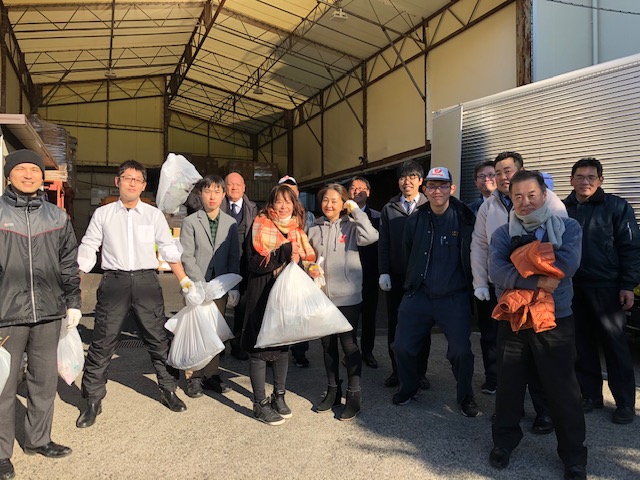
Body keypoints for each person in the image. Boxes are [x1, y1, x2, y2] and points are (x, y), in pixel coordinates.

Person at [76, 160, 193, 429]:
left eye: (137, 180)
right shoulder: (103, 214)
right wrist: (76, 282)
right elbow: (89, 246)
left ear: (143, 186)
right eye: (127, 178)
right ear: (117, 182)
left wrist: (184, 281)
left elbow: (168, 248)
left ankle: (168, 389)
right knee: (103, 341)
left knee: (157, 339)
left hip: (145, 282)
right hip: (114, 282)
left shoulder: (153, 215)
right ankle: (93, 399)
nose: (132, 183)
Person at [488, 170, 587, 480]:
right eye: (518, 196)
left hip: (554, 319)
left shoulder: (568, 228)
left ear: (544, 195)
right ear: (511, 199)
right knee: (509, 385)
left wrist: (519, 264)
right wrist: (537, 277)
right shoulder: (502, 234)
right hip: (515, 318)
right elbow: (496, 272)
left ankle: (574, 456)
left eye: (532, 195)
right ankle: (504, 442)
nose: (525, 202)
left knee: (563, 388)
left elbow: (566, 266)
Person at [0, 150, 81, 479]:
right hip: (6, 315)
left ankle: (38, 439)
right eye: (21, 169)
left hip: (48, 312)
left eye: (34, 169)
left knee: (44, 381)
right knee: (3, 386)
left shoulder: (57, 217)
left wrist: (73, 302)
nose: (28, 175)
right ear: (8, 175)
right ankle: (1, 454)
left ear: (42, 177)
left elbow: (68, 263)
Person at [470, 151, 564, 434]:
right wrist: (480, 282)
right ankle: (510, 408)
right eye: (498, 172)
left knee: (538, 355)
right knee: (509, 357)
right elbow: (480, 245)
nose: (502, 177)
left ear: (521, 171)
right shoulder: (489, 206)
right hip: (505, 293)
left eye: (507, 171)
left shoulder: (549, 200)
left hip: (540, 294)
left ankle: (544, 411)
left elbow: (560, 247)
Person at [392, 167, 478, 417]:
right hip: (419, 294)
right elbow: (407, 255)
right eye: (432, 186)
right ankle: (410, 387)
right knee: (402, 346)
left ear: (452, 188)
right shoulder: (415, 220)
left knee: (461, 352)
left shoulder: (465, 218)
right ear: (425, 189)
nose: (437, 190)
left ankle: (466, 396)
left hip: (454, 296)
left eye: (442, 185)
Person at [564, 157, 640, 424]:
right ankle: (590, 395)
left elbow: (631, 247)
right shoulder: (562, 209)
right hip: (574, 287)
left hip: (607, 287)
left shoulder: (616, 207)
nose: (585, 182)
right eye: (580, 177)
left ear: (600, 180)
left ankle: (625, 403)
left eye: (591, 177)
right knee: (582, 344)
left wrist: (628, 285)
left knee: (615, 345)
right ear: (571, 180)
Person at [241, 184, 316, 425]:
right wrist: (282, 252)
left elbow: (301, 264)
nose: (283, 206)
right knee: (260, 348)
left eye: (288, 201)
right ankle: (259, 403)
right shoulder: (259, 225)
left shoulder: (297, 230)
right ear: (271, 204)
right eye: (278, 201)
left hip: (285, 294)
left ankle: (279, 396)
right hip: (261, 292)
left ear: (294, 205)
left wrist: (300, 262)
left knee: (283, 346)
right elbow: (253, 263)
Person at [307, 184, 378, 420]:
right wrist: (310, 267)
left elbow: (372, 236)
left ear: (343, 203)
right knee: (327, 346)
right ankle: (333, 390)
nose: (329, 204)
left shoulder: (353, 225)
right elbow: (307, 258)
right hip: (322, 296)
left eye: (334, 200)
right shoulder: (314, 228)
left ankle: (354, 393)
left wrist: (355, 210)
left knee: (349, 345)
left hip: (347, 296)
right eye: (325, 200)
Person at [179, 174, 241, 398]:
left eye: (217, 191)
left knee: (215, 332)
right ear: (201, 194)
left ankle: (211, 374)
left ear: (223, 195)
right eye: (208, 191)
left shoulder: (230, 223)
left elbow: (234, 255)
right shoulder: (190, 222)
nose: (212, 196)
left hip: (220, 287)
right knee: (196, 331)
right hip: (196, 287)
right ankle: (194, 376)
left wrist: (233, 285)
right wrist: (199, 284)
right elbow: (186, 256)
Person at [378, 160, 431, 389]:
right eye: (402, 177)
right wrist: (384, 272)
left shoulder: (430, 206)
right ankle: (397, 371)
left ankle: (419, 373)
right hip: (397, 276)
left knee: (422, 326)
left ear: (420, 181)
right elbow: (384, 243)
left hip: (423, 278)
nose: (406, 181)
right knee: (396, 325)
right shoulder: (389, 208)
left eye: (412, 177)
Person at [277, 175, 315, 368]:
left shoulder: (308, 216)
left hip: (302, 269)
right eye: (284, 190)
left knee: (301, 313)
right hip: (279, 269)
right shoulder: (271, 216)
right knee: (280, 312)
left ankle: (300, 351)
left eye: (292, 190)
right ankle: (278, 350)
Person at [222, 172, 258, 360]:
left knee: (242, 307)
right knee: (217, 305)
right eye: (230, 184)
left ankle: (237, 344)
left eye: (238, 184)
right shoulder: (217, 206)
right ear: (224, 188)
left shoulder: (254, 209)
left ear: (244, 187)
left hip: (245, 264)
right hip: (221, 262)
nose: (234, 187)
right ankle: (217, 346)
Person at [348, 176, 381, 368]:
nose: (357, 191)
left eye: (361, 188)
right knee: (349, 316)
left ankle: (367, 352)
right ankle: (350, 352)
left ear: (368, 192)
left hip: (369, 273)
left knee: (369, 316)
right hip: (346, 274)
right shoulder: (343, 215)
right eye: (353, 188)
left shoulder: (377, 216)